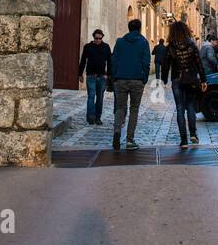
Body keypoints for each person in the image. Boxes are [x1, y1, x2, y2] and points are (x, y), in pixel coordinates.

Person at [161, 21, 206, 147]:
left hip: (176, 79)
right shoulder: (192, 45)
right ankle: (193, 134)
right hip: (190, 78)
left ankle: (183, 140)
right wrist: (203, 80)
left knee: (180, 108)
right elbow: (199, 63)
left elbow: (165, 65)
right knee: (190, 106)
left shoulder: (170, 47)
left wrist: (164, 79)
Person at [109, 18, 151, 150]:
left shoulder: (120, 42)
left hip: (121, 78)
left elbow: (114, 60)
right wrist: (144, 78)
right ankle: (129, 139)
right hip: (137, 79)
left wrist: (115, 76)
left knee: (120, 107)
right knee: (134, 109)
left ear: (129, 28)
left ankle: (117, 131)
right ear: (139, 28)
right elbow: (146, 62)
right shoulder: (143, 42)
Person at [78, 28, 111, 124]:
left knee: (100, 98)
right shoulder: (88, 47)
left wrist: (108, 75)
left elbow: (109, 61)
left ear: (102, 38)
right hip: (91, 76)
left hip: (102, 77)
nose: (98, 40)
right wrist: (80, 74)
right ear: (93, 37)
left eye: (100, 38)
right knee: (91, 96)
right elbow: (83, 60)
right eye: (96, 38)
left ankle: (98, 117)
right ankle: (90, 117)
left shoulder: (106, 47)